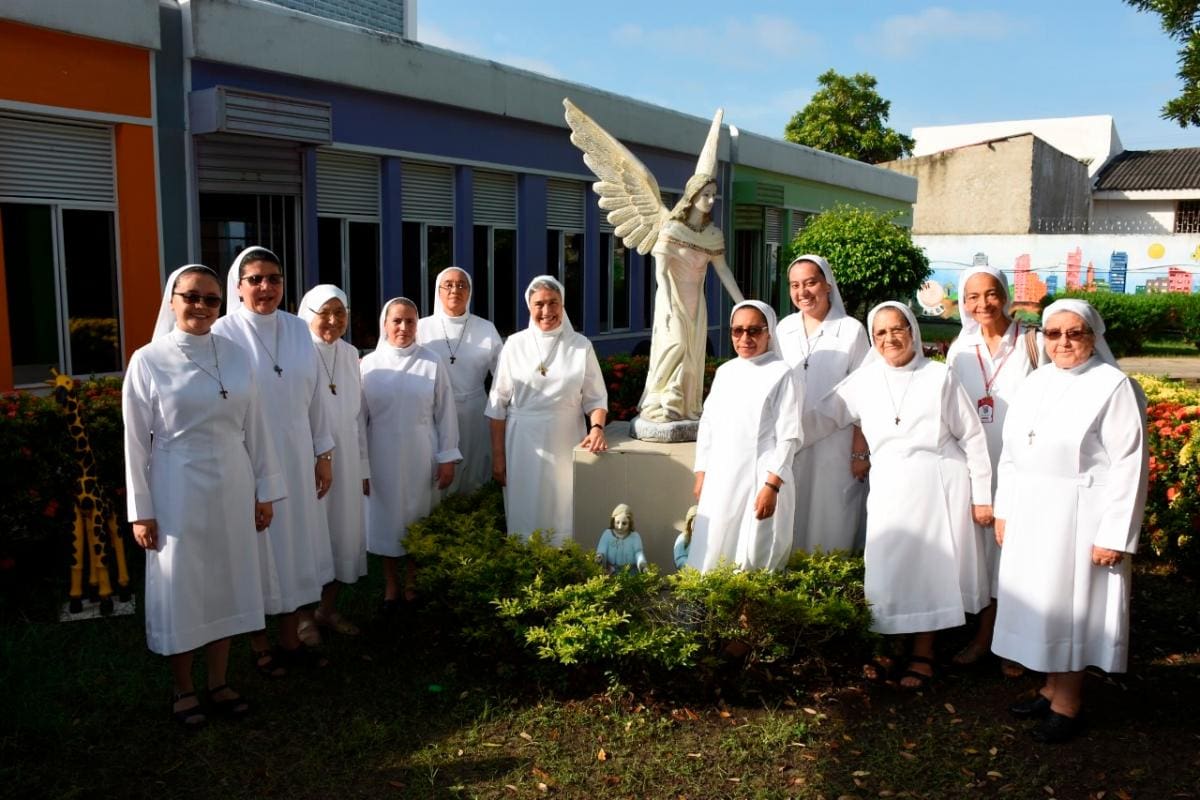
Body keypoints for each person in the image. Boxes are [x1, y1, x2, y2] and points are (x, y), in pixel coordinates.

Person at [124, 265, 285, 727]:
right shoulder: (148, 360)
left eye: (211, 299)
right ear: (171, 300)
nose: (201, 306)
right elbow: (135, 443)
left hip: (233, 481)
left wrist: (265, 490)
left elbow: (256, 426)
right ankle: (183, 687)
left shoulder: (236, 355)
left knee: (228, 581)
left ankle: (219, 680)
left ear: (221, 305)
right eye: (191, 297)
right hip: (175, 485)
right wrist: (142, 511)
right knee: (184, 585)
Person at [812, 301, 992, 689]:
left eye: (898, 329)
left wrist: (982, 496)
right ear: (873, 340)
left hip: (938, 482)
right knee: (887, 566)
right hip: (891, 483)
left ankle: (923, 654)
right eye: (880, 332)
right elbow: (820, 418)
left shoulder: (939, 377)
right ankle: (890, 643)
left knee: (928, 570)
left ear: (912, 331)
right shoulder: (864, 380)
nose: (890, 338)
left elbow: (973, 436)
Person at [992, 299, 1148, 743]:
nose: (1062, 341)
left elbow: (1129, 465)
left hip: (1083, 516)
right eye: (1052, 332)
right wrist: (1005, 510)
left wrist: (1114, 535)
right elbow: (1011, 454)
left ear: (1093, 337)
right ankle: (1049, 686)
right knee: (1045, 604)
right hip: (1031, 511)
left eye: (1073, 333)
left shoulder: (1113, 385)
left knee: (1072, 607)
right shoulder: (1036, 380)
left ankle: (1068, 703)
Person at [212, 246, 335, 675]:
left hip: (299, 454)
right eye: (256, 279)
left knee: (294, 544)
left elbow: (317, 395)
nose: (266, 287)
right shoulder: (223, 333)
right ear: (239, 286)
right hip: (249, 457)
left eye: (275, 278)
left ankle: (290, 637)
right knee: (259, 548)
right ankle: (260, 643)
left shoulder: (300, 330)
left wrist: (324, 453)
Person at [945, 265, 1043, 676]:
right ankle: (983, 633)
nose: (982, 303)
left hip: (1023, 467)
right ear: (964, 303)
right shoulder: (960, 347)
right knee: (982, 553)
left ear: (1004, 294)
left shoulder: (1032, 343)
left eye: (990, 294)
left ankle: (1012, 640)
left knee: (1015, 552)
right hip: (973, 465)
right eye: (972, 297)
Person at [486, 275, 608, 545]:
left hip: (566, 438)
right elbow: (497, 406)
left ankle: (563, 567)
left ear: (562, 305)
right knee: (526, 507)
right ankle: (529, 570)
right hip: (522, 444)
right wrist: (498, 457)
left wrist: (597, 428)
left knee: (564, 506)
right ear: (529, 307)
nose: (547, 311)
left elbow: (596, 398)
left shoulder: (580, 345)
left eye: (553, 303)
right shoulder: (514, 345)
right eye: (539, 303)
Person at [361, 297, 461, 611]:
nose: (404, 327)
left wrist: (447, 458)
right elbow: (358, 422)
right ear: (385, 325)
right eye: (397, 321)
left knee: (418, 517)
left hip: (422, 452)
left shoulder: (432, 361)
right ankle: (391, 583)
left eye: (410, 321)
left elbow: (446, 413)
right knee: (387, 519)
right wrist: (362, 467)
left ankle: (412, 582)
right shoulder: (368, 366)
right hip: (381, 455)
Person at [688, 300, 801, 573]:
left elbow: (790, 436)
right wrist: (701, 472)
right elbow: (709, 423)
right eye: (737, 331)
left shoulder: (782, 373)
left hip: (760, 479)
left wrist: (772, 486)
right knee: (712, 550)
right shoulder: (726, 371)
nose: (745, 338)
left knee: (752, 555)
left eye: (754, 330)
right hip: (720, 478)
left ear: (768, 332)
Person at [776, 254, 871, 553]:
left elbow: (865, 394)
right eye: (795, 285)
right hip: (793, 439)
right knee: (793, 510)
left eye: (810, 283)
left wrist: (859, 450)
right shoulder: (784, 328)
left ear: (827, 285)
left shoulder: (851, 329)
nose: (802, 292)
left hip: (837, 442)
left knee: (833, 514)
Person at [639, 176, 744, 422]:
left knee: (693, 356)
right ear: (692, 196)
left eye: (713, 195)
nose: (709, 200)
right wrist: (666, 302)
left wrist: (742, 304)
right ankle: (658, 399)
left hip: (697, 303)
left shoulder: (713, 235)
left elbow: (723, 271)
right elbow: (660, 271)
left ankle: (684, 405)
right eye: (704, 194)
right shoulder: (672, 229)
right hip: (671, 297)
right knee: (676, 345)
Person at [298, 285, 368, 637]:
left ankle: (327, 610)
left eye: (340, 312)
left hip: (347, 460)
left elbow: (357, 418)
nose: (333, 319)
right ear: (308, 314)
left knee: (343, 534)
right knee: (311, 537)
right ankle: (303, 619)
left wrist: (363, 468)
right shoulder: (297, 353)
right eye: (324, 311)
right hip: (308, 457)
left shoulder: (351, 352)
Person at [416, 266, 504, 495]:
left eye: (461, 285)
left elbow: (503, 377)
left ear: (470, 291)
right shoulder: (422, 328)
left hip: (475, 412)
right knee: (437, 479)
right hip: (434, 414)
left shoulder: (486, 329)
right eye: (449, 284)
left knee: (475, 477)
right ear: (438, 290)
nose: (455, 289)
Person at [595, 503, 648, 573]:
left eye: (624, 523)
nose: (620, 527)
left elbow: (638, 553)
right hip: (611, 571)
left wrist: (642, 564)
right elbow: (602, 550)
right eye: (617, 522)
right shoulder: (607, 534)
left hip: (631, 572)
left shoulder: (635, 536)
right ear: (613, 521)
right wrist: (600, 557)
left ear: (630, 523)